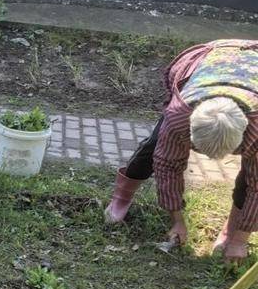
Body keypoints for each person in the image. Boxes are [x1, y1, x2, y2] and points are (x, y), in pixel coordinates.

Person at [104, 39, 258, 263]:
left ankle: (231, 231)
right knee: (154, 147)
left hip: (251, 72)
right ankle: (121, 197)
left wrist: (240, 240)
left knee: (250, 175)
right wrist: (177, 219)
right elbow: (168, 167)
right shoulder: (180, 115)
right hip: (211, 61)